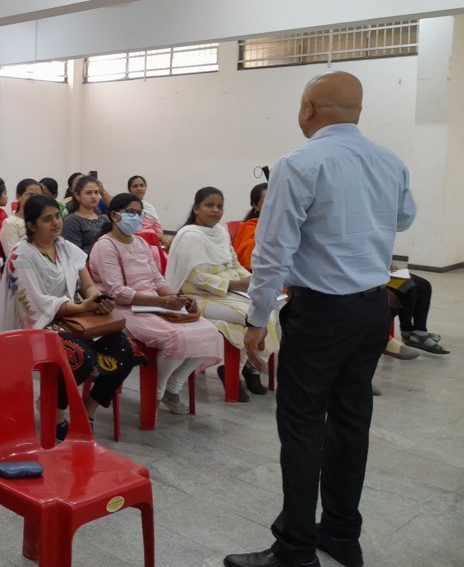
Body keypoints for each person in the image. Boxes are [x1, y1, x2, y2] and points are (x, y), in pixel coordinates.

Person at [224, 71, 417, 567]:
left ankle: (292, 551)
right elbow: (403, 219)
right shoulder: (389, 161)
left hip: (322, 311)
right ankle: (340, 533)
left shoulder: (300, 162)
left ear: (308, 109)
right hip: (372, 309)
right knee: (352, 421)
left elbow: (273, 250)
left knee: (303, 425)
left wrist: (256, 316)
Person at [0, 194, 138, 439]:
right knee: (79, 357)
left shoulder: (66, 248)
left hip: (72, 319)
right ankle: (58, 416)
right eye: (48, 219)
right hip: (36, 326)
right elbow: (36, 305)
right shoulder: (22, 255)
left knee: (126, 350)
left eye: (57, 216)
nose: (56, 223)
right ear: (31, 225)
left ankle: (86, 411)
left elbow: (88, 286)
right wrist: (83, 308)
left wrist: (98, 299)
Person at [88, 193, 223, 414]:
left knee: (210, 332)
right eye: (130, 212)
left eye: (139, 213)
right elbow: (117, 292)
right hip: (123, 310)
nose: (136, 217)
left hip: (153, 303)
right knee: (177, 338)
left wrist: (175, 298)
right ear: (114, 215)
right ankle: (156, 393)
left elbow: (157, 279)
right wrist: (162, 301)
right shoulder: (105, 246)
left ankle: (173, 386)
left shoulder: (140, 242)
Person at [165, 187, 280, 402]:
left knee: (270, 307)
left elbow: (234, 263)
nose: (216, 210)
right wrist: (238, 285)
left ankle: (236, 369)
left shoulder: (220, 231)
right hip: (200, 297)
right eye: (209, 205)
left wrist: (253, 282)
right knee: (253, 316)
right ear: (196, 208)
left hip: (229, 291)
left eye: (220, 206)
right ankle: (247, 366)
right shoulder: (189, 235)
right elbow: (199, 278)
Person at [388, 271, 447, 354]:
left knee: (424, 285)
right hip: (370, 277)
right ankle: (406, 332)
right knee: (408, 288)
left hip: (382, 271)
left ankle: (419, 331)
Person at [62, 175, 109, 255]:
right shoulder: (71, 221)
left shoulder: (104, 218)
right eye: (89, 193)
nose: (94, 196)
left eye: (96, 192)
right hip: (85, 264)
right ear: (77, 196)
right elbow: (74, 254)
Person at [0, 178, 43, 256]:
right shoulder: (10, 224)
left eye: (39, 196)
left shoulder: (42, 221)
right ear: (18, 197)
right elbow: (13, 257)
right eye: (30, 195)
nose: (35, 200)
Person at [127, 175, 172, 248]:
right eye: (135, 186)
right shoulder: (125, 206)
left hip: (154, 242)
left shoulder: (149, 207)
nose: (139, 188)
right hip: (135, 243)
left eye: (142, 185)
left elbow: (157, 226)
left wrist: (161, 236)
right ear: (129, 190)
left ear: (146, 187)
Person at [233, 183, 268, 271]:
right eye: (267, 202)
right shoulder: (250, 228)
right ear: (256, 206)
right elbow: (251, 262)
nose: (274, 205)